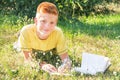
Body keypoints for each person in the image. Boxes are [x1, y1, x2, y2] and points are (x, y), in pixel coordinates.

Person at [15, 2, 72, 74]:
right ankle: (18, 37)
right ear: (36, 21)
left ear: (56, 23)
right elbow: (28, 60)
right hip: (29, 43)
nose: (47, 26)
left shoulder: (58, 33)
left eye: (52, 23)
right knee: (18, 47)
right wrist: (42, 65)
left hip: (49, 49)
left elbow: (66, 59)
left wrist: (66, 65)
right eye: (43, 21)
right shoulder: (26, 31)